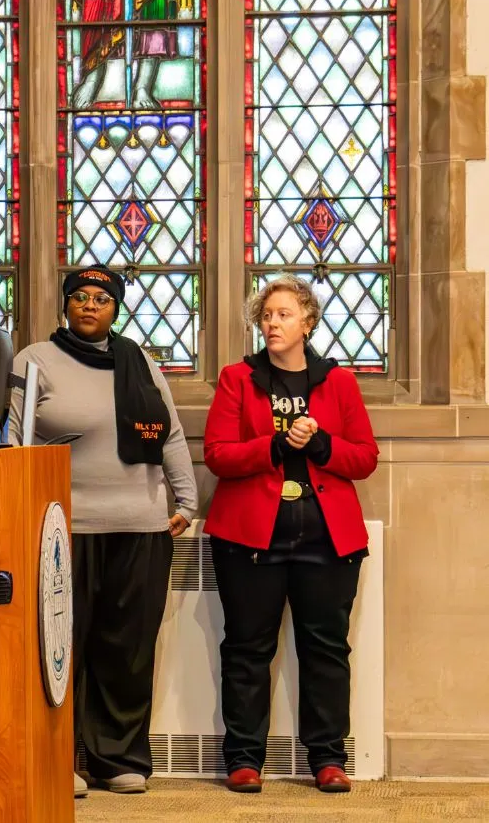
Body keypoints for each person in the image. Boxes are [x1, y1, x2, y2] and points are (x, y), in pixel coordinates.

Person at [7, 265, 198, 798]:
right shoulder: (35, 360)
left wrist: (187, 498)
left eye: (102, 299)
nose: (91, 306)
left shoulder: (139, 363)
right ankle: (58, 758)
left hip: (141, 523)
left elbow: (171, 434)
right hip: (63, 526)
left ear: (116, 309)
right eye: (80, 297)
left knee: (128, 647)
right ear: (65, 305)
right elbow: (13, 436)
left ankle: (118, 759)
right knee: (60, 647)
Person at [203, 274, 378, 794]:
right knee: (246, 648)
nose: (272, 323)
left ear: (307, 321)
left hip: (326, 540)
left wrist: (321, 442)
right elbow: (217, 455)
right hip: (250, 540)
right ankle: (243, 758)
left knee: (325, 649)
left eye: (282, 314)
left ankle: (327, 758)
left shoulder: (338, 382)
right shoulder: (238, 378)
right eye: (266, 316)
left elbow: (365, 458)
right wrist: (277, 444)